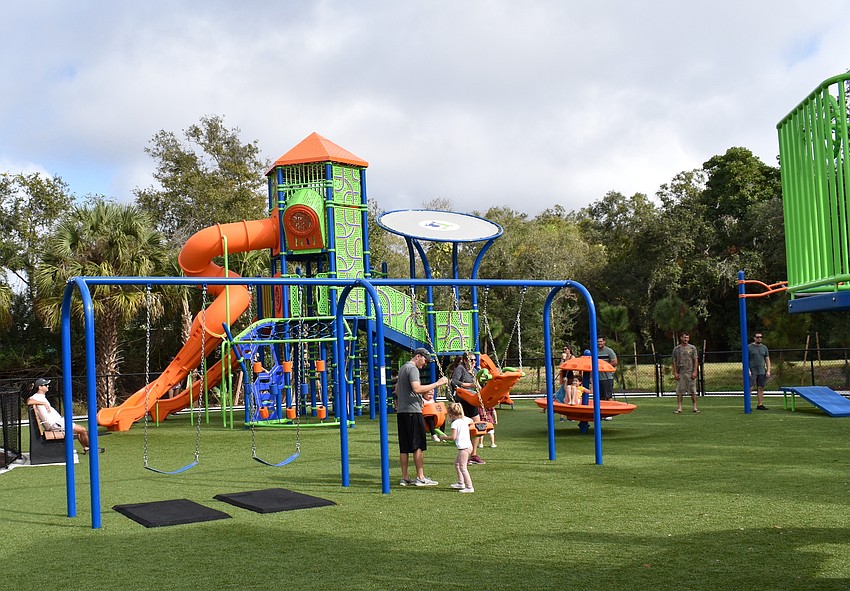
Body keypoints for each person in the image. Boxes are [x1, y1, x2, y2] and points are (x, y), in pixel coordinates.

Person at [394, 348, 448, 486]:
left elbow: (397, 390)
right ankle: (421, 477)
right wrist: (437, 384)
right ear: (418, 356)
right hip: (413, 412)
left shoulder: (402, 368)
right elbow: (416, 388)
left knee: (404, 447)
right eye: (425, 360)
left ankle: (405, 477)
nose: (425, 364)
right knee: (418, 445)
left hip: (402, 412)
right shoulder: (412, 369)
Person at [26, 378, 103, 454]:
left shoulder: (40, 397)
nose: (48, 386)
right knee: (82, 430)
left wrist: (43, 403)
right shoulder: (36, 397)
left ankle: (86, 448)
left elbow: (30, 399)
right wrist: (44, 403)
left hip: (57, 422)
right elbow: (29, 401)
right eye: (45, 385)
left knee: (80, 431)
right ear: (40, 387)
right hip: (54, 424)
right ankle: (91, 449)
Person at [447, 353, 486, 464]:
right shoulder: (460, 368)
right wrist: (470, 385)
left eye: (474, 360)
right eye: (471, 360)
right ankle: (465, 454)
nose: (473, 362)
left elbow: (478, 384)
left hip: (473, 401)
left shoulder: (474, 372)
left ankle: (473, 454)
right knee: (465, 429)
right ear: (464, 360)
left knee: (478, 427)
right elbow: (454, 382)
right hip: (463, 401)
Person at [440, 402, 474, 493]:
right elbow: (471, 420)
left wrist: (444, 437)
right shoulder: (465, 419)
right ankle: (460, 482)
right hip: (468, 446)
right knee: (457, 463)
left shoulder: (455, 423)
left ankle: (469, 487)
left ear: (451, 415)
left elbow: (453, 437)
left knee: (463, 467)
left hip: (463, 448)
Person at [672, 332, 700, 414]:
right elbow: (674, 361)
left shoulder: (692, 348)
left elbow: (695, 360)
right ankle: (679, 408)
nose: (686, 339)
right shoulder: (676, 349)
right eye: (684, 337)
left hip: (690, 372)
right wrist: (675, 372)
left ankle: (695, 407)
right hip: (681, 372)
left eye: (687, 338)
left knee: (693, 391)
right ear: (681, 338)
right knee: (680, 391)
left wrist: (695, 371)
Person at [748, 332, 771, 410]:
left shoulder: (764, 348)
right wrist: (748, 370)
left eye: (760, 337)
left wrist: (768, 370)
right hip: (752, 370)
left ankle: (760, 404)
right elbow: (745, 360)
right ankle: (748, 405)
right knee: (750, 387)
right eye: (757, 337)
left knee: (761, 387)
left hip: (761, 371)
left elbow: (767, 359)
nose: (759, 338)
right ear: (754, 338)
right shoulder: (749, 347)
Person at [596, 337, 618, 401]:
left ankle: (611, 409)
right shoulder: (595, 351)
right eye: (598, 342)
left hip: (607, 377)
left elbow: (615, 362)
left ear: (604, 342)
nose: (599, 343)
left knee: (608, 396)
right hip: (598, 378)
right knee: (600, 397)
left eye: (600, 341)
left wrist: (604, 366)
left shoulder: (609, 351)